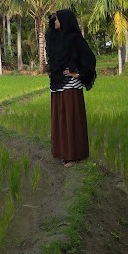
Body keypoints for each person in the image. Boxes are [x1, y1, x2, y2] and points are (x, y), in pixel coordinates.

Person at [45, 9, 97, 168]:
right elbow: (49, 38)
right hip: (57, 84)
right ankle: (64, 153)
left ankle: (75, 155)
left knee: (71, 119)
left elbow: (89, 59)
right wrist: (51, 18)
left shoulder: (75, 40)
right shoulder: (58, 39)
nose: (55, 23)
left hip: (70, 86)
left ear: (66, 21)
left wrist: (77, 74)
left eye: (58, 20)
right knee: (60, 119)